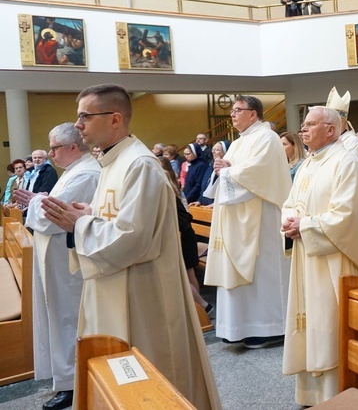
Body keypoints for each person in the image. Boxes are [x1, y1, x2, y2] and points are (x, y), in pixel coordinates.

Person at [40, 84, 220, 409]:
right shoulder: (113, 162)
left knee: (147, 378)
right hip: (114, 285)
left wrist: (77, 225)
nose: (78, 124)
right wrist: (89, 213)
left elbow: (133, 237)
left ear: (115, 118)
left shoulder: (140, 164)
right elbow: (120, 216)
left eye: (85, 116)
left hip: (141, 292)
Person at [281, 106, 358, 406]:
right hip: (307, 256)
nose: (303, 130)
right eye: (303, 125)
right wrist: (289, 220)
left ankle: (337, 393)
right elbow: (291, 201)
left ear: (331, 129)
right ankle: (313, 393)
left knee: (329, 323)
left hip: (334, 260)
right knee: (311, 322)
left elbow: (347, 216)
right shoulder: (309, 164)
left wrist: (306, 226)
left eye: (310, 125)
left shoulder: (346, 162)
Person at [13, 123, 101, 410]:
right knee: (61, 316)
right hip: (57, 259)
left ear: (72, 147)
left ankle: (72, 383)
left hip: (67, 262)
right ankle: (66, 380)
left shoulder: (86, 172)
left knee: (68, 317)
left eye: (54, 148)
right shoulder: (73, 172)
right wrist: (39, 200)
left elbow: (54, 215)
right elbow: (51, 205)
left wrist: (38, 202)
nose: (50, 154)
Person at [203, 95, 291, 349]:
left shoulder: (267, 138)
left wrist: (227, 170)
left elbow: (258, 173)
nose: (232, 115)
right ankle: (239, 326)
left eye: (237, 110)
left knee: (261, 271)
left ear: (253, 114)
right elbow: (230, 170)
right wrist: (223, 167)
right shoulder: (240, 142)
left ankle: (269, 326)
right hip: (237, 217)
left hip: (260, 218)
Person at [158, 156, 211, 315]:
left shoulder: (165, 184)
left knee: (183, 273)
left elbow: (180, 215)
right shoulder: (168, 181)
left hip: (181, 234)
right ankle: (199, 308)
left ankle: (202, 308)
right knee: (187, 272)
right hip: (183, 233)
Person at [326, 87, 358, 165]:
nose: (327, 125)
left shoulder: (353, 142)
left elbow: (351, 167)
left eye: (329, 121)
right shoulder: (330, 141)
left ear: (341, 121)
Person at [190, 140, 230, 207]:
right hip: (206, 204)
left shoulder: (227, 168)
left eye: (217, 150)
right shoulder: (211, 166)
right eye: (213, 149)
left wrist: (216, 204)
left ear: (225, 152)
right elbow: (205, 187)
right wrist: (199, 200)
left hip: (219, 205)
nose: (213, 152)